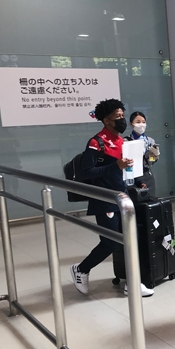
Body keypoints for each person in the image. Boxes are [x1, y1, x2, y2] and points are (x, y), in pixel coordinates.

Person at [70, 99, 154, 297]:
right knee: (111, 243)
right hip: (104, 200)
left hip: (123, 198)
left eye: (123, 116)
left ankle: (131, 282)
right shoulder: (96, 142)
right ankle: (81, 269)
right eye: (118, 117)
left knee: (129, 240)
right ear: (106, 120)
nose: (122, 120)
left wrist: (137, 181)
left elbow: (126, 170)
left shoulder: (122, 141)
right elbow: (86, 172)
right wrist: (115, 166)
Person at [125, 111, 159, 197]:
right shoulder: (126, 141)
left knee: (151, 200)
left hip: (147, 174)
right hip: (133, 176)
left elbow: (151, 161)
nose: (141, 125)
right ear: (131, 124)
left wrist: (154, 156)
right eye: (138, 122)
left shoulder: (150, 141)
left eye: (143, 122)